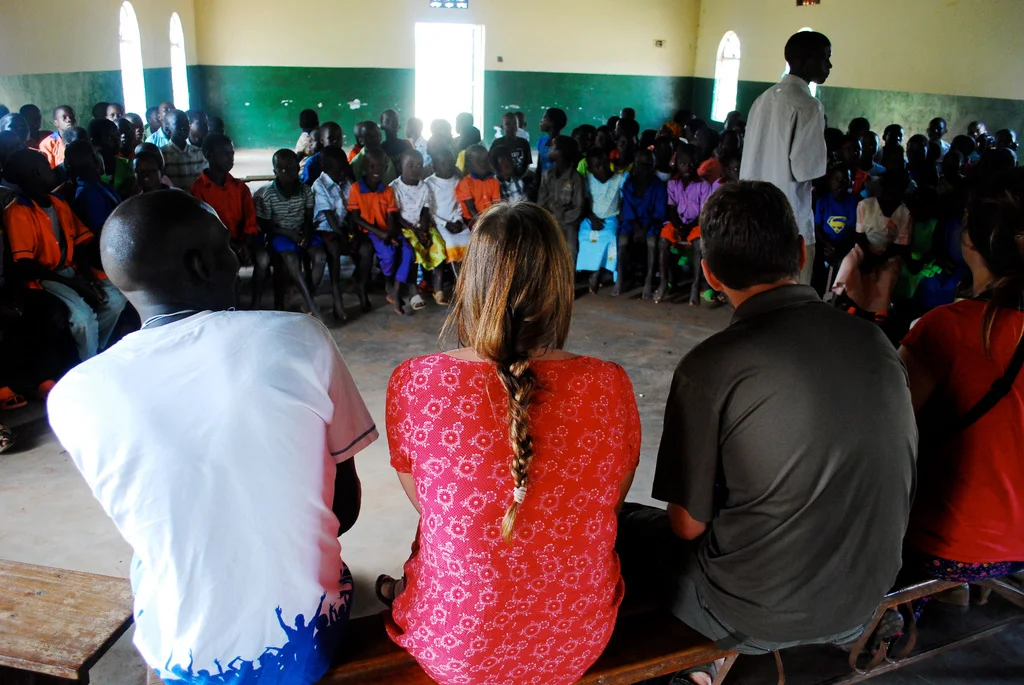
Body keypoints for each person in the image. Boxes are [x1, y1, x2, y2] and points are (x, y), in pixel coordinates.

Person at [47, 189, 376, 685]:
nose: (238, 255)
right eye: (226, 245)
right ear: (200, 264)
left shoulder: (73, 396)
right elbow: (343, 507)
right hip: (308, 642)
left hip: (181, 658)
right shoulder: (297, 337)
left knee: (153, 556)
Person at [616, 181, 916, 677]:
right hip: (866, 596)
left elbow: (688, 525)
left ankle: (698, 663)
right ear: (800, 252)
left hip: (752, 613)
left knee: (624, 524)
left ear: (709, 274)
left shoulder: (710, 366)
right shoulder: (877, 341)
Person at [381, 200, 640, 685]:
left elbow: (429, 506)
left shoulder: (415, 382)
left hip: (454, 650)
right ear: (560, 287)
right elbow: (612, 502)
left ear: (471, 283)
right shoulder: (610, 385)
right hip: (575, 643)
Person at [899, 169, 1024, 583]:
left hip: (947, 542)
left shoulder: (948, 326)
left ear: (968, 239)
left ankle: (907, 613)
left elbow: (888, 425)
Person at [3, 149, 127, 361]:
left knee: (116, 298)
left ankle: (96, 352)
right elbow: (25, 263)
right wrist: (75, 284)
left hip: (71, 270)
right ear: (37, 174)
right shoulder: (17, 212)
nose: (55, 172)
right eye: (48, 168)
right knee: (82, 317)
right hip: (45, 277)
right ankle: (89, 364)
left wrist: (88, 277)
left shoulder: (58, 203)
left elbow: (79, 243)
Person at [741, 31, 831, 286]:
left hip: (757, 218)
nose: (829, 66)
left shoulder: (762, 100)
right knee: (792, 295)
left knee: (760, 292)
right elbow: (807, 170)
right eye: (825, 59)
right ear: (803, 62)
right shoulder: (809, 105)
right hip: (790, 222)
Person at [190, 133, 266, 310]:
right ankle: (231, 307)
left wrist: (245, 243)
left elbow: (250, 219)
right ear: (209, 155)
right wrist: (231, 244)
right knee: (228, 266)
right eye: (224, 153)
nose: (230, 157)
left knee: (263, 259)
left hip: (242, 240)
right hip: (216, 243)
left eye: (231, 153)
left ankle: (256, 304)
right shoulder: (199, 189)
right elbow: (204, 225)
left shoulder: (240, 187)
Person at [832, 169, 913, 320]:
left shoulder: (904, 214)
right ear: (883, 188)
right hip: (863, 248)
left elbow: (900, 245)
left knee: (887, 275)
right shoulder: (865, 205)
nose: (893, 194)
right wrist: (868, 256)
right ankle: (837, 301)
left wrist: (879, 259)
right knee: (849, 264)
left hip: (888, 254)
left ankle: (879, 313)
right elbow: (860, 235)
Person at [254, 149, 324, 319]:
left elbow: (308, 217)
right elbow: (265, 225)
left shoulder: (306, 190)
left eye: (293, 168)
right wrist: (288, 233)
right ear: (275, 171)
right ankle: (311, 303)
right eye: (283, 169)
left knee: (321, 257)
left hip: (302, 231)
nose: (289, 173)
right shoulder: (268, 194)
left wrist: (306, 234)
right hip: (280, 235)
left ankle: (307, 298)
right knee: (291, 258)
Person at [348, 148, 414, 316]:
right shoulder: (356, 189)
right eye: (372, 166)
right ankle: (388, 283)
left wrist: (390, 234)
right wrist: (381, 234)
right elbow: (355, 218)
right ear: (365, 167)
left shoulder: (387, 190)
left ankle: (396, 288)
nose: (376, 170)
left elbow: (392, 215)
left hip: (386, 229)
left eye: (381, 167)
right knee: (389, 253)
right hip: (369, 231)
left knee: (407, 249)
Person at [390, 149, 446, 311]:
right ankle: (414, 292)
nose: (415, 169)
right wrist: (414, 230)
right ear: (400, 167)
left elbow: (425, 210)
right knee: (414, 253)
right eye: (410, 165)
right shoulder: (394, 188)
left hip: (422, 226)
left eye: (419, 165)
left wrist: (424, 230)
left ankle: (438, 288)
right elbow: (396, 215)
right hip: (406, 229)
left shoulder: (424, 187)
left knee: (439, 247)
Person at [658, 144, 713, 306]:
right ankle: (663, 282)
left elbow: (704, 213)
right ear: (677, 164)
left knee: (699, 244)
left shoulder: (703, 185)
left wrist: (688, 227)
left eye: (691, 163)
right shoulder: (672, 184)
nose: (687, 167)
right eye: (683, 163)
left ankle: (695, 287)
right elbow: (671, 208)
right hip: (677, 223)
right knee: (663, 241)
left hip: (696, 224)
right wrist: (679, 225)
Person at [616, 149, 666, 299]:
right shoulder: (629, 183)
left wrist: (644, 229)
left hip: (649, 223)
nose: (645, 168)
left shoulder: (658, 185)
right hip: (632, 222)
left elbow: (659, 213)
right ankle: (620, 278)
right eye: (641, 164)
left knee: (652, 242)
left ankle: (648, 281)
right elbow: (627, 210)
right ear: (635, 164)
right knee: (623, 239)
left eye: (648, 165)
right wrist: (637, 227)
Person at [311, 146, 354, 322]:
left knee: (362, 246)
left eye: (345, 167)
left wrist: (350, 233)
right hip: (324, 229)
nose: (344, 172)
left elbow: (351, 211)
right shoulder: (319, 185)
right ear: (328, 169)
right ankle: (337, 296)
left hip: (341, 227)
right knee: (334, 250)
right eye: (339, 169)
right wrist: (343, 236)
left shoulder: (346, 183)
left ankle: (360, 286)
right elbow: (328, 216)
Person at [578, 147, 626, 294]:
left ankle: (601, 270)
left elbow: (624, 202)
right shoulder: (588, 181)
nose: (602, 169)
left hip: (611, 217)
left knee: (610, 237)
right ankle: (593, 270)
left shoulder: (620, 178)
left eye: (605, 164)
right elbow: (585, 204)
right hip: (591, 217)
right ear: (590, 169)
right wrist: (592, 218)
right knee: (583, 235)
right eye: (597, 167)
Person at [537, 135, 584, 267]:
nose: (549, 150)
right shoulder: (547, 176)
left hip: (568, 223)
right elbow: (541, 203)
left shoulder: (575, 179)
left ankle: (568, 283)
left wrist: (561, 217)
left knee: (570, 249)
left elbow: (578, 208)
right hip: (549, 221)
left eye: (552, 147)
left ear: (560, 153)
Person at [425, 147, 467, 292]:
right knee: (450, 242)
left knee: (471, 238)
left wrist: (458, 220)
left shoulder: (457, 181)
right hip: (438, 224)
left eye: (450, 162)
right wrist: (445, 223)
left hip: (455, 221)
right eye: (443, 163)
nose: (448, 166)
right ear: (434, 166)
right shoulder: (429, 183)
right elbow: (429, 210)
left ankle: (469, 278)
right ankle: (460, 283)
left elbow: (460, 204)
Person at [813, 166, 860, 292]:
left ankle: (837, 298)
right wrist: (827, 244)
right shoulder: (822, 201)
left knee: (843, 264)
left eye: (845, 179)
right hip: (825, 243)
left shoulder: (853, 202)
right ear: (830, 181)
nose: (840, 183)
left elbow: (851, 230)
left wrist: (837, 249)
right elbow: (817, 227)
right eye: (837, 179)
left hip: (844, 245)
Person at [65, 140, 123, 237]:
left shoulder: (95, 186)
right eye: (97, 153)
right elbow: (103, 233)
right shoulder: (90, 194)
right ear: (95, 159)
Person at [160, 110, 208, 190]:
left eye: (187, 123)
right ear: (167, 130)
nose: (184, 128)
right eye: (179, 124)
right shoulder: (162, 155)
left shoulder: (199, 153)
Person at [88, 118, 135, 199]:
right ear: (95, 143)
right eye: (110, 137)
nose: (117, 140)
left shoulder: (127, 165)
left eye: (117, 135)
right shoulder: (89, 172)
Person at [456, 145, 500, 229]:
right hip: (471, 220)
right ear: (469, 164)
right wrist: (483, 223)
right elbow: (471, 208)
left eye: (486, 160)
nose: (485, 164)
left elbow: (496, 204)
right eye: (480, 161)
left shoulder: (494, 182)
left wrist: (492, 220)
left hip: (490, 218)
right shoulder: (465, 183)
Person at [302, 121, 351, 186]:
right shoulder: (312, 163)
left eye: (339, 137)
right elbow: (307, 187)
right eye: (331, 138)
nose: (336, 140)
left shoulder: (343, 158)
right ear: (322, 140)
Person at [350, 122, 398, 186]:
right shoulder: (356, 164)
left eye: (378, 135)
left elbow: (392, 183)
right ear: (361, 140)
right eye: (369, 136)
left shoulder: (386, 159)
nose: (375, 139)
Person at [490, 112, 533, 180]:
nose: (512, 126)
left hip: (520, 179)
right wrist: (500, 176)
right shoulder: (497, 143)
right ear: (502, 127)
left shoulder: (524, 143)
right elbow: (492, 162)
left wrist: (519, 179)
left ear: (518, 125)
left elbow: (526, 164)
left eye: (515, 123)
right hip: (502, 180)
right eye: (508, 124)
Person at [537, 107, 567, 174]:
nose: (541, 121)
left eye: (544, 118)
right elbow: (539, 165)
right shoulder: (541, 140)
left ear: (552, 122)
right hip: (543, 181)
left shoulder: (563, 144)